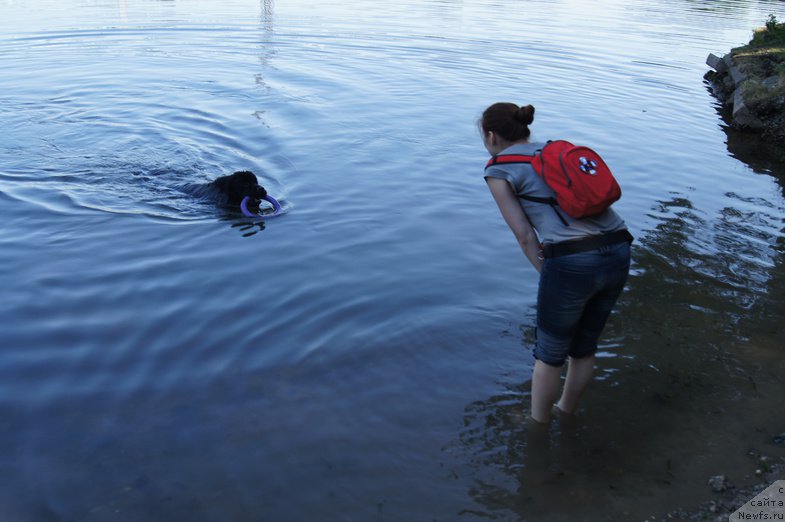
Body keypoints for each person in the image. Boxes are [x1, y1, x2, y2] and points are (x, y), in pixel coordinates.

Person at [480, 102, 632, 424]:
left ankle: (537, 426)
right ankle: (565, 412)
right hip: (619, 248)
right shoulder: (555, 151)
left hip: (572, 260)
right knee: (584, 347)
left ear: (491, 136)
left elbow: (524, 236)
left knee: (549, 355)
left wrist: (548, 273)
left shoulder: (498, 169)